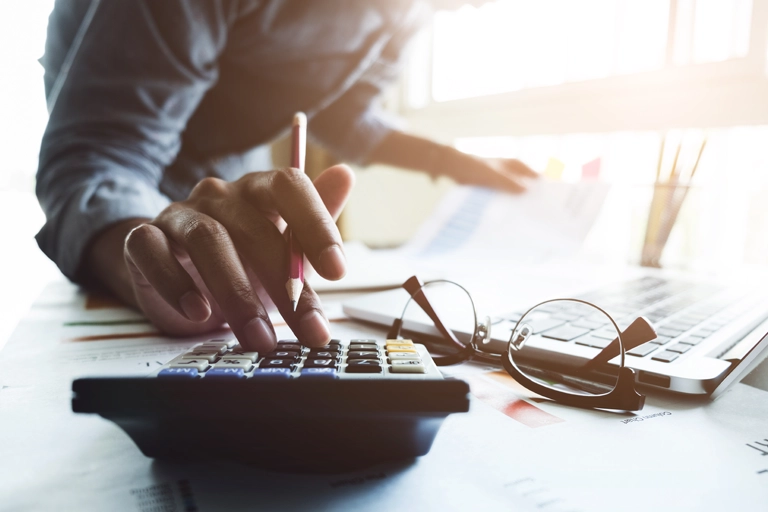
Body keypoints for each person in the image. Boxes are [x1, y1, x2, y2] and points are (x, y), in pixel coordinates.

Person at [36, 0, 536, 354]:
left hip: (226, 205)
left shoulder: (409, 9)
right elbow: (97, 153)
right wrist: (141, 257)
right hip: (139, 220)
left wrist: (450, 160)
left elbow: (348, 113)